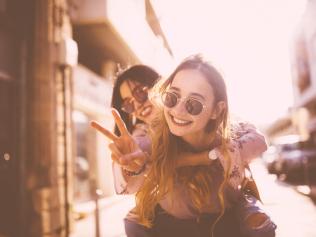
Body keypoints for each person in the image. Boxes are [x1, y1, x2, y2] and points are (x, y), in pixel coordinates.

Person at [92, 55, 276, 237]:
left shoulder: (214, 122)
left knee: (259, 223)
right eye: (128, 105)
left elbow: (257, 141)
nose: (137, 104)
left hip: (227, 207)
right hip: (177, 218)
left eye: (140, 92)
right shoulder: (142, 136)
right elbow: (134, 170)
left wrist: (209, 156)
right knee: (133, 221)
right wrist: (134, 166)